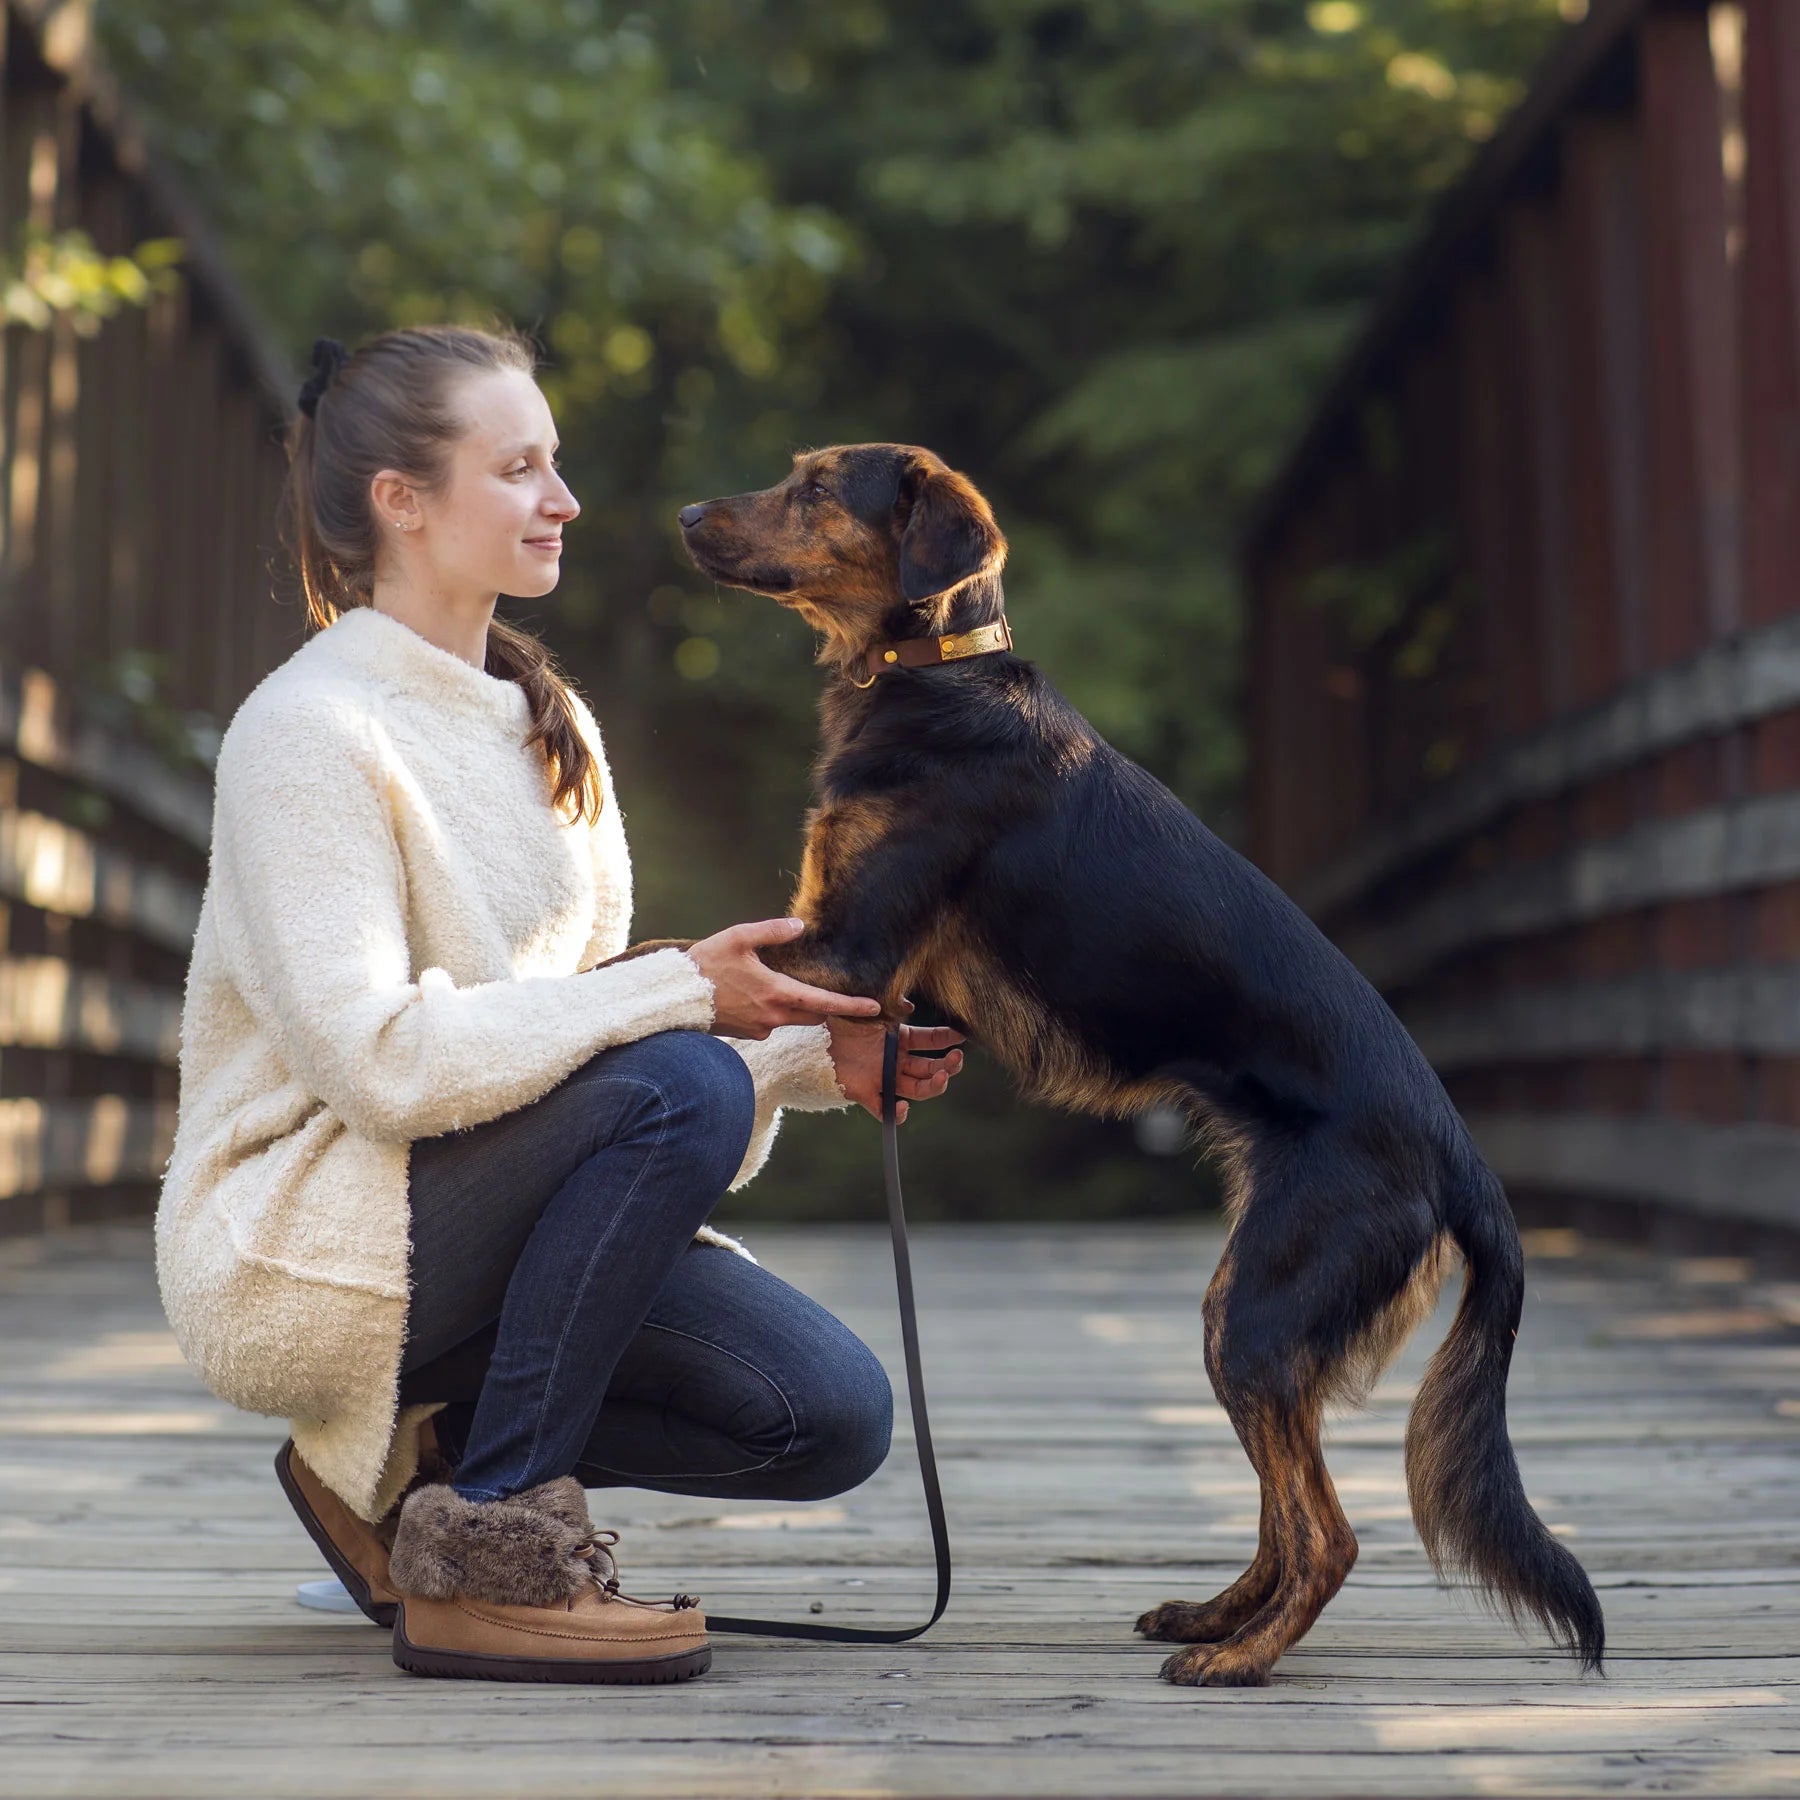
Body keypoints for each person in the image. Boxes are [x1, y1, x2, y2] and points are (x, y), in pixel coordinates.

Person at [153, 321, 966, 1685]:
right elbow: (382, 1064)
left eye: (559, 463)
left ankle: (419, 1472)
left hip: (472, 1199)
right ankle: (492, 1556)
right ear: (400, 502)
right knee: (683, 1073)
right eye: (519, 468)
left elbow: (581, 1048)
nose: (565, 500)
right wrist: (685, 1001)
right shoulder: (311, 731)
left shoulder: (548, 722)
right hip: (302, 1234)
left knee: (824, 1415)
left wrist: (803, 1058)